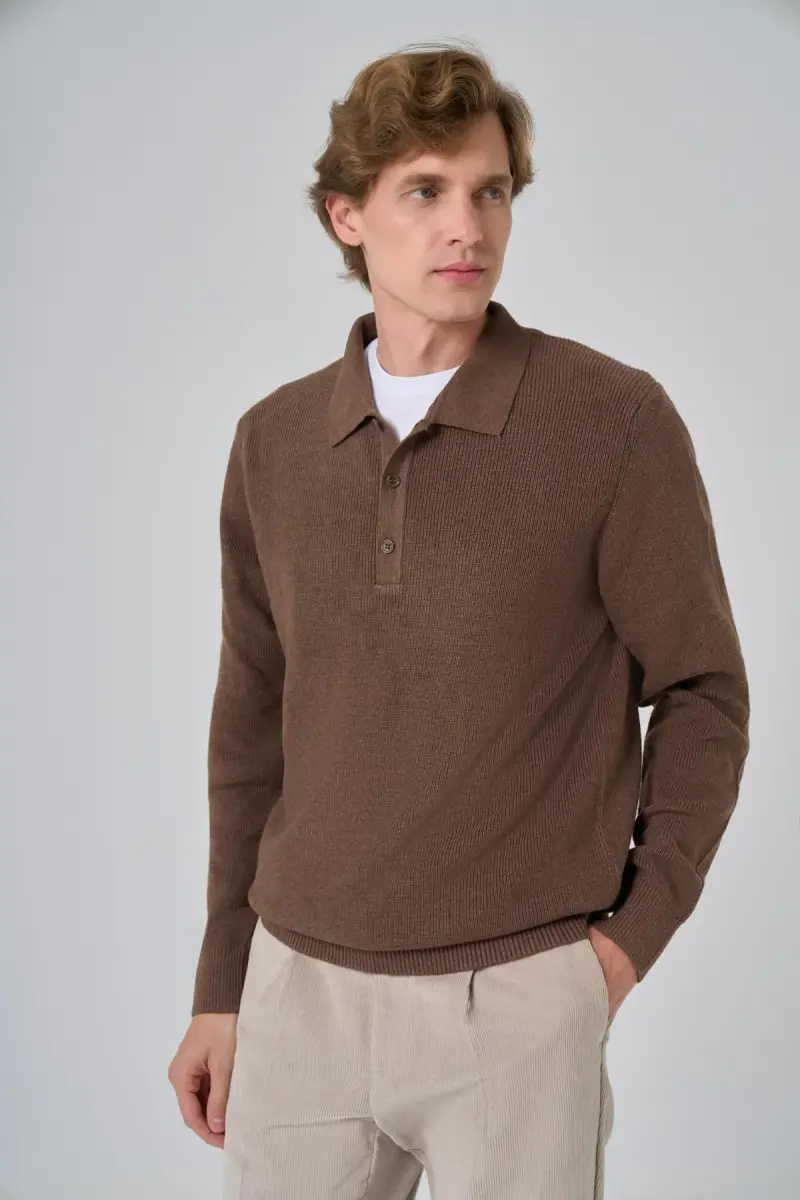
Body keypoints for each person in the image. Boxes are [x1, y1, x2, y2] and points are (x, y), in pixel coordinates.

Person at [167, 39, 750, 1199]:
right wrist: (222, 987)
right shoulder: (273, 444)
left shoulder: (611, 422)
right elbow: (250, 731)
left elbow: (701, 693)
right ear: (346, 217)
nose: (465, 228)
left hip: (517, 996)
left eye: (489, 192)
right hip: (297, 992)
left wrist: (622, 946)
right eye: (424, 192)